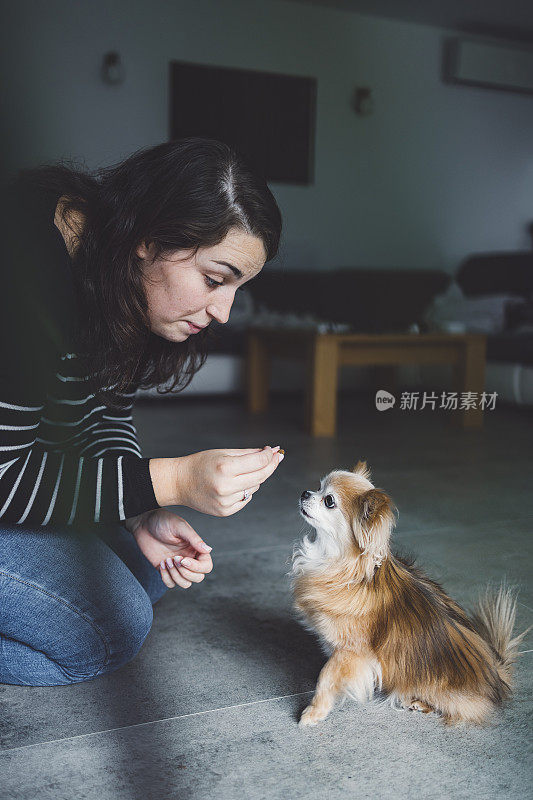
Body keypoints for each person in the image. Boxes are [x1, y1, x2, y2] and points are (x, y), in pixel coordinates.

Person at [0, 138, 284, 686]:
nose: (224, 312)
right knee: (111, 626)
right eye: (214, 279)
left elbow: (101, 417)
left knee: (145, 570)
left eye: (237, 288)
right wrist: (173, 480)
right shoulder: (26, 278)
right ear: (149, 239)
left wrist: (139, 514)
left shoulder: (116, 277)